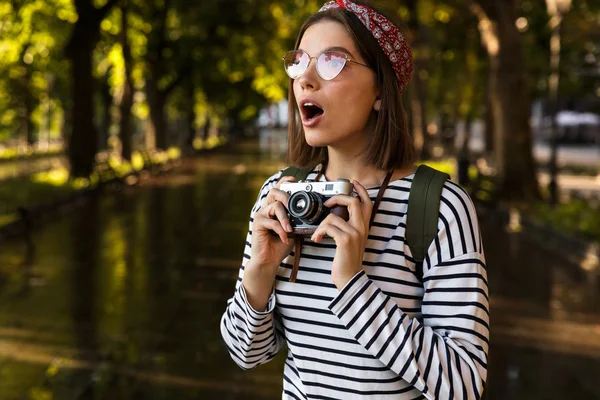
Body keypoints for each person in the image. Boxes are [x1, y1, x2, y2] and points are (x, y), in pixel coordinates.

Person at [220, 1, 489, 398]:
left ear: (381, 89)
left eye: (332, 62)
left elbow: (463, 385)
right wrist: (258, 274)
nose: (305, 79)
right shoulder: (280, 194)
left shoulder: (440, 206)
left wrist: (353, 285)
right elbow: (247, 353)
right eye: (299, 62)